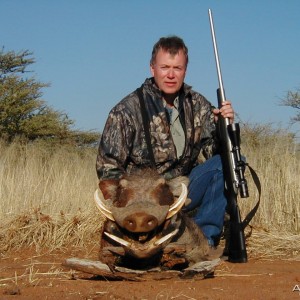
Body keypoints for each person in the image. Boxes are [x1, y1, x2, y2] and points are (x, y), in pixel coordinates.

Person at [96, 35, 235, 248]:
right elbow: (108, 169)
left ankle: (202, 240)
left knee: (227, 162)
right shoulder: (125, 110)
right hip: (142, 199)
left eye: (177, 68)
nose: (171, 75)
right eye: (165, 67)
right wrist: (128, 201)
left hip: (182, 190)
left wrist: (224, 127)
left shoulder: (198, 104)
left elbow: (214, 153)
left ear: (185, 71)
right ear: (153, 69)